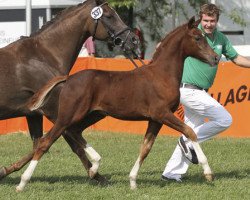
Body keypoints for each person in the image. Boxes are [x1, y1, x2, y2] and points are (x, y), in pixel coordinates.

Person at [162, 3, 250, 182]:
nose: (209, 24)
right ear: (201, 18)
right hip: (187, 90)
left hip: (200, 91)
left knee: (192, 130)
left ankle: (171, 174)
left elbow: (237, 58)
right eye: (206, 20)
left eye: (213, 21)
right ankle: (187, 142)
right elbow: (166, 46)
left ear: (217, 21)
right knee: (225, 119)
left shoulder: (221, 39)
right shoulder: (193, 35)